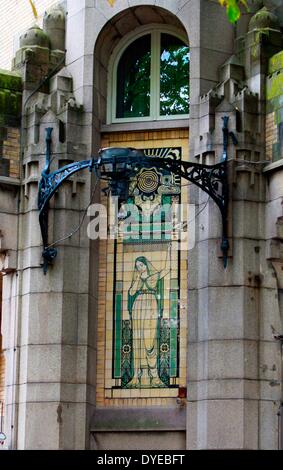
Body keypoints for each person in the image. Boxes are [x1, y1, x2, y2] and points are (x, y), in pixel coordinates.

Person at [127, 250, 170, 388]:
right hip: (138, 307)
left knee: (150, 341)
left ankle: (155, 377)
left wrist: (169, 251)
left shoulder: (154, 276)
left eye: (141, 265)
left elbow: (168, 269)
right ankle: (136, 376)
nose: (139, 268)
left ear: (146, 265)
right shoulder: (137, 279)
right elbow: (132, 292)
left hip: (151, 306)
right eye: (137, 266)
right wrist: (137, 280)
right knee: (137, 340)